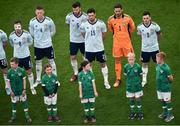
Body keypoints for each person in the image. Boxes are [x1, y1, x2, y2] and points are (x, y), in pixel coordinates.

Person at [80, 8, 111, 89]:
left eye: (92, 15)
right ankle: (90, 80)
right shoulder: (84, 24)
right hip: (89, 49)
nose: (90, 17)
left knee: (103, 64)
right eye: (89, 15)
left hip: (99, 49)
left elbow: (104, 34)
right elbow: (83, 34)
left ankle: (106, 81)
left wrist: (99, 41)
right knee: (88, 65)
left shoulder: (101, 23)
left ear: (95, 14)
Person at [108, 3, 135, 88]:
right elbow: (110, 29)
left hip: (127, 43)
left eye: (119, 11)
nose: (117, 12)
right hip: (117, 44)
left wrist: (126, 35)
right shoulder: (111, 19)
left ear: (122, 10)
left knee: (130, 60)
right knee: (117, 60)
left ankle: (132, 77)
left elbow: (132, 28)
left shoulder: (127, 18)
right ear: (114, 11)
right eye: (116, 11)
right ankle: (118, 79)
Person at [29, 5, 57, 87]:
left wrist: (47, 38)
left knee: (51, 61)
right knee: (38, 62)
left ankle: (55, 78)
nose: (39, 14)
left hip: (48, 45)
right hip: (37, 46)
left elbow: (53, 31)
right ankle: (38, 80)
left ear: (43, 12)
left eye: (41, 12)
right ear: (35, 13)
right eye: (38, 13)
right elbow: (31, 33)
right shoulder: (32, 22)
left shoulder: (49, 21)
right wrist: (38, 39)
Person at [9, 20, 36, 95]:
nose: (17, 28)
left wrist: (26, 45)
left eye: (19, 26)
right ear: (14, 28)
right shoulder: (11, 35)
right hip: (17, 58)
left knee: (29, 72)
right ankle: (20, 88)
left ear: (21, 26)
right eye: (16, 27)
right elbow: (11, 43)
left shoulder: (26, 34)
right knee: (18, 73)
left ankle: (32, 87)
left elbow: (31, 41)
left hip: (26, 56)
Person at [137, 11, 162, 87]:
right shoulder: (140, 27)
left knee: (158, 63)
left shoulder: (155, 25)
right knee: (144, 63)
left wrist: (156, 43)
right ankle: (144, 80)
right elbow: (140, 35)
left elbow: (159, 34)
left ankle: (159, 79)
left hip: (155, 48)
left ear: (150, 18)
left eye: (147, 18)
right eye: (144, 18)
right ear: (142, 19)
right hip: (145, 49)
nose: (146, 20)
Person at [65, 2, 87, 82]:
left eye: (76, 9)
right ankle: (76, 73)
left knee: (85, 57)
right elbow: (68, 25)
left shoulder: (85, 16)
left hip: (83, 40)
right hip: (73, 40)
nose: (75, 11)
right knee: (73, 57)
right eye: (74, 10)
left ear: (80, 8)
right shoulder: (69, 16)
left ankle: (85, 71)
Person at [7, 57, 32, 123]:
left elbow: (24, 80)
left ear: (17, 64)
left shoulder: (22, 70)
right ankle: (13, 116)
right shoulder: (9, 72)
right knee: (14, 103)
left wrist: (24, 89)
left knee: (24, 102)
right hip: (14, 91)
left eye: (12, 64)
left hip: (21, 90)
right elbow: (8, 82)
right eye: (10, 64)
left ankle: (27, 116)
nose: (11, 66)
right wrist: (10, 91)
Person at [124, 53, 143, 120]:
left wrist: (139, 82)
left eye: (132, 59)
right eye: (129, 59)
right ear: (127, 60)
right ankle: (132, 112)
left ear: (134, 59)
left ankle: (140, 112)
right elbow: (125, 75)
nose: (131, 61)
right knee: (131, 99)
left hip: (137, 86)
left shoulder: (138, 66)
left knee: (138, 99)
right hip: (129, 87)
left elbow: (141, 75)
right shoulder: (126, 66)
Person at [156, 52, 174, 122]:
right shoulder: (157, 65)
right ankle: (165, 112)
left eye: (157, 58)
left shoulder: (166, 68)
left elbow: (171, 78)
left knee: (167, 101)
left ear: (162, 59)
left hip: (165, 88)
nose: (156, 59)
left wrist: (166, 84)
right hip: (159, 87)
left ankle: (170, 115)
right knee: (162, 100)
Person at [0, 29, 9, 94]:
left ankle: (7, 86)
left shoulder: (1, 33)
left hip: (1, 56)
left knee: (5, 71)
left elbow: (5, 43)